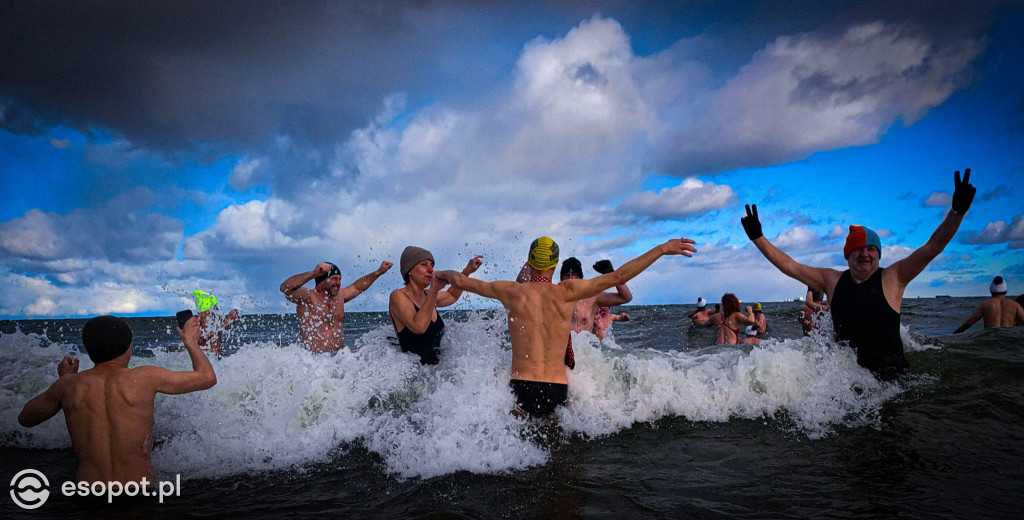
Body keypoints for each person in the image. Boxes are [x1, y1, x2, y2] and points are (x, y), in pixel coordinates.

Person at [741, 168, 976, 380]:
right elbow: (790, 266)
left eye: (871, 249)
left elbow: (932, 247)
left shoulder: (894, 277)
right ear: (847, 255)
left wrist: (957, 212)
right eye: (857, 249)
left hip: (894, 381)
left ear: (879, 254)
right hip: (848, 381)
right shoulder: (832, 281)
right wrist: (758, 238)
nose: (865, 254)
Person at [433, 235, 696, 417]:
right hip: (557, 388)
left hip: (520, 386)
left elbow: (463, 282)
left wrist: (442, 275)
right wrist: (661, 248)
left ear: (530, 262)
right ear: (555, 265)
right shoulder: (568, 291)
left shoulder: (511, 291)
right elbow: (619, 276)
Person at [18, 315, 216, 485]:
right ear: (128, 347)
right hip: (138, 490)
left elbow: (25, 419)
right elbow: (207, 378)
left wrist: (64, 380)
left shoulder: (69, 385)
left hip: (89, 494)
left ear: (88, 349)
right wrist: (191, 343)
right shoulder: (145, 377)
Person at [388, 246, 483, 364]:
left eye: (431, 265)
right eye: (424, 264)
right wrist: (434, 289)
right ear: (410, 270)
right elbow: (419, 327)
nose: (430, 270)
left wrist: (467, 271)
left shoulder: (428, 295)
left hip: (438, 377)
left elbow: (452, 295)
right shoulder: (398, 296)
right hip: (415, 377)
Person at [280, 260, 393, 353]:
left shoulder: (340, 296)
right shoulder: (307, 297)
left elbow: (358, 287)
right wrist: (313, 274)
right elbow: (285, 289)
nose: (338, 283)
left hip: (339, 359)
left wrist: (378, 272)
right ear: (322, 280)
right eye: (334, 279)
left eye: (339, 279)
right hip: (314, 362)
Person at [954, 276, 1024, 332]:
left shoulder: (985, 304)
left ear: (991, 291)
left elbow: (969, 322)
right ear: (1005, 291)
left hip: (991, 338)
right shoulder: (1015, 305)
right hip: (1007, 337)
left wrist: (959, 331)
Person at [192, 290, 239, 356]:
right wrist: (228, 320)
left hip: (214, 359)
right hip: (206, 360)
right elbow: (206, 334)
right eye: (215, 307)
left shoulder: (210, 319)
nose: (216, 309)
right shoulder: (198, 321)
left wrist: (230, 319)